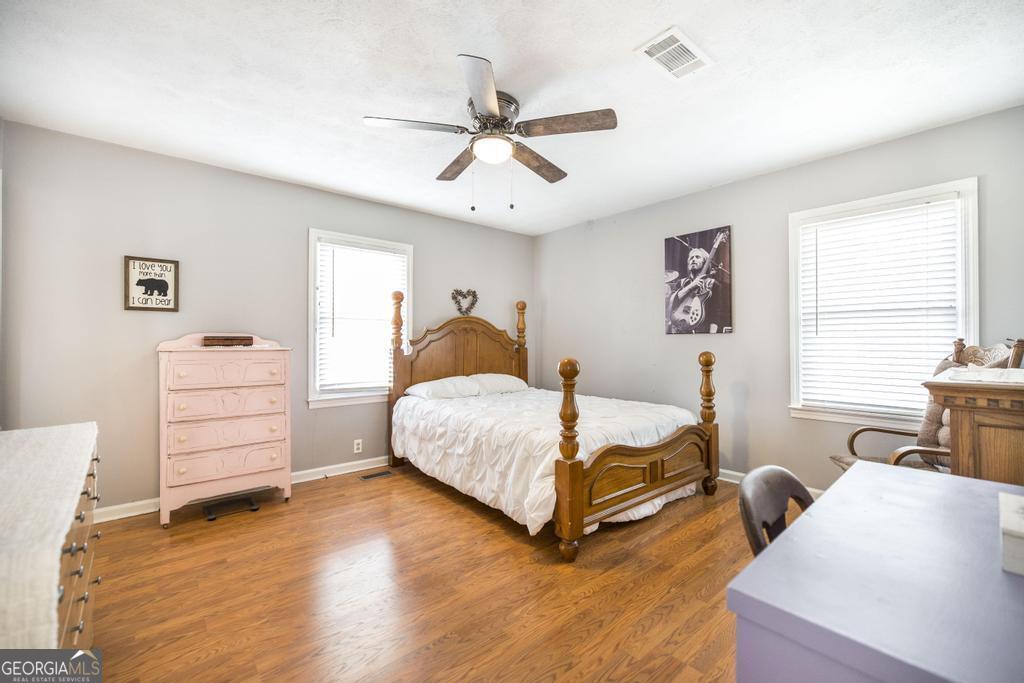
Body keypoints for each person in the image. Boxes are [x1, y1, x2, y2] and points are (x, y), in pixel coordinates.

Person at [666, 247, 722, 334]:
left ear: (705, 262)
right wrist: (691, 286)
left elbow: (715, 314)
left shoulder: (713, 285)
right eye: (691, 258)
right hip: (678, 331)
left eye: (697, 257)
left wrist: (712, 336)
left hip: (701, 331)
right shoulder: (681, 283)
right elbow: (671, 303)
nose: (693, 259)